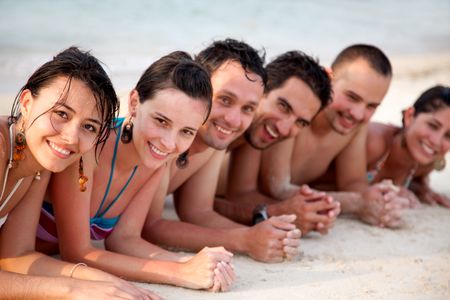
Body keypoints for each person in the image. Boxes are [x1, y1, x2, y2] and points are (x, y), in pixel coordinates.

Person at [36, 51, 235, 292]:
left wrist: (189, 261)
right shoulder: (88, 146)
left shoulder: (154, 160)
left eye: (187, 132)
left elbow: (125, 239)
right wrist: (180, 273)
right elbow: (77, 252)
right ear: (134, 103)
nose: (169, 143)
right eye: (161, 121)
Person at [0, 47, 158, 299]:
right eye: (61, 114)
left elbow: (16, 257)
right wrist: (72, 290)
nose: (71, 137)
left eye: (89, 126)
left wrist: (106, 282)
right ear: (28, 103)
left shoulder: (36, 163)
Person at [142, 39, 301, 264]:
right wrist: (244, 240)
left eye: (248, 109)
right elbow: (150, 227)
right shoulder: (166, 141)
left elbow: (198, 212)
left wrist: (264, 232)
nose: (233, 120)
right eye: (225, 100)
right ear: (198, 86)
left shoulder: (213, 141)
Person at [259, 44, 410, 229]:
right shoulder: (297, 115)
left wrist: (382, 199)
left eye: (372, 106)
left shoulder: (355, 126)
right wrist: (357, 203)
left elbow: (352, 182)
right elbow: (277, 188)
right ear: (329, 77)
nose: (358, 113)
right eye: (352, 97)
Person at [214, 50, 341, 236]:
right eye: (283, 106)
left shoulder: (251, 135)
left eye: (301, 122)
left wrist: (301, 209)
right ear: (261, 90)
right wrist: (272, 213)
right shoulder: (217, 125)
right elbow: (195, 207)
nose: (284, 128)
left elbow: (240, 195)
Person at [367, 85, 450, 207]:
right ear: (409, 116)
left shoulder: (426, 161)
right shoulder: (374, 141)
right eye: (432, 126)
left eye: (448, 135)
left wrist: (421, 189)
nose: (436, 141)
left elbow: (414, 179)